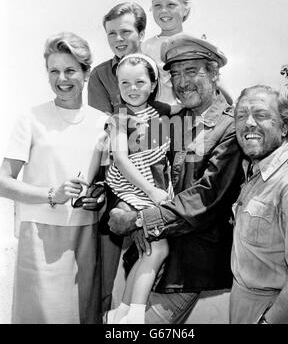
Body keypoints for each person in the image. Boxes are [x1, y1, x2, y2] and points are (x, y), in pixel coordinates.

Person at [108, 33, 244, 324]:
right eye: (176, 74)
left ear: (214, 73)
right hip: (148, 255)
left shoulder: (229, 129)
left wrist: (140, 220)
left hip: (187, 267)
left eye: (192, 71)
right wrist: (121, 205)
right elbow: (131, 165)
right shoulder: (173, 121)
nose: (182, 82)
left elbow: (204, 200)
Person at [0, 32, 107, 324]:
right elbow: (3, 181)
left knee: (82, 316)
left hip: (84, 236)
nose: (63, 78)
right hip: (39, 236)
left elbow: (107, 183)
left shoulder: (104, 123)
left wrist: (98, 195)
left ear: (86, 73)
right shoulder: (30, 118)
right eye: (54, 71)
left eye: (71, 70)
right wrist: (51, 194)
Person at [89, 53, 181, 324]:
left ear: (153, 84)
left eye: (139, 82)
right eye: (125, 83)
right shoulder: (120, 116)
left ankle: (121, 313)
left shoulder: (163, 111)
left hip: (156, 184)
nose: (132, 89)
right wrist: (150, 192)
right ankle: (136, 315)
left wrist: (219, 83)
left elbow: (189, 105)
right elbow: (120, 158)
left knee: (147, 252)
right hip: (134, 187)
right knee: (158, 250)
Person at [230, 85, 288, 324]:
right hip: (243, 303)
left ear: (284, 127)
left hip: (275, 311)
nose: (248, 123)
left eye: (260, 115)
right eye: (241, 116)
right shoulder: (255, 170)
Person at [142, 0, 233, 105]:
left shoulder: (197, 44)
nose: (163, 10)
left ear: (185, 9)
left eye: (171, 4)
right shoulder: (145, 48)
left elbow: (221, 88)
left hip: (189, 116)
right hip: (157, 117)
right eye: (158, 5)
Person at [88, 2, 146, 114]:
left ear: (141, 34)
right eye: (112, 34)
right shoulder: (99, 76)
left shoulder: (159, 67)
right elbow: (102, 125)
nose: (118, 38)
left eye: (125, 32)